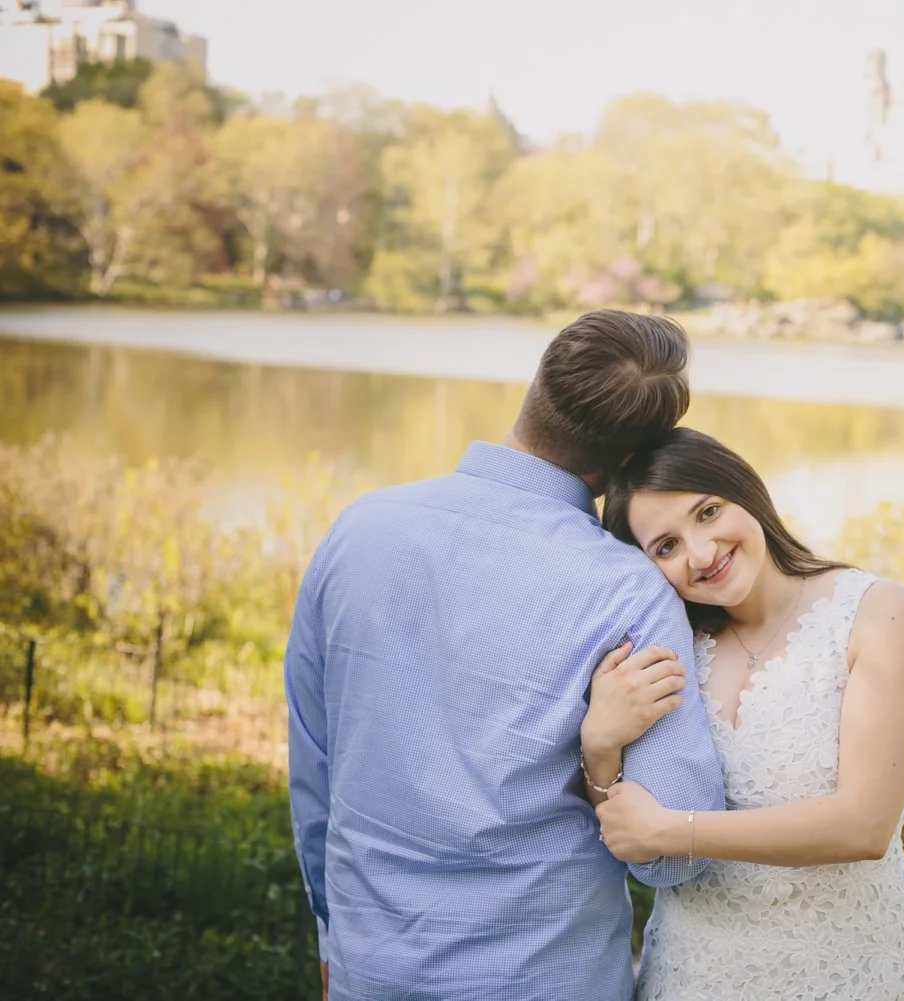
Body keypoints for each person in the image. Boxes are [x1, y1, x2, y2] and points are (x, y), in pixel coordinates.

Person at [284, 311, 725, 1001]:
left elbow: (314, 772)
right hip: (546, 976)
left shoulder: (360, 528)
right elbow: (671, 858)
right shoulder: (630, 589)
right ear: (626, 463)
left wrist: (330, 938)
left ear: (540, 381)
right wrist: (598, 755)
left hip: (372, 970)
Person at [589, 427, 904, 1000]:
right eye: (665, 547)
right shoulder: (669, 649)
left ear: (744, 490)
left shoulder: (875, 613)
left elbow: (864, 825)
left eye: (709, 511)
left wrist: (675, 830)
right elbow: (630, 833)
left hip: (841, 970)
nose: (701, 553)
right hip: (692, 970)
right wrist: (600, 746)